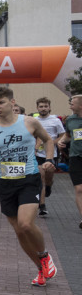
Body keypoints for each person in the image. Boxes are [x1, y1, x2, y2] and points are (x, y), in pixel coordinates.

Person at [0, 86, 58, 287]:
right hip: (5, 182)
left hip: (29, 178)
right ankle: (40, 269)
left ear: (12, 102)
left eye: (1, 102)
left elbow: (48, 140)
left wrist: (48, 159)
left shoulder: (29, 122)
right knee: (19, 231)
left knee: (26, 224)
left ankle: (45, 256)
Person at [33, 97, 65, 216]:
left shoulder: (55, 120)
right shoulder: (34, 120)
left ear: (49, 107)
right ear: (37, 108)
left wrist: (51, 143)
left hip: (52, 154)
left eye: (45, 106)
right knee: (40, 178)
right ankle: (42, 205)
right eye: (41, 106)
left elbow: (62, 135)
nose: (43, 108)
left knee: (48, 179)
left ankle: (49, 186)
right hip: (38, 154)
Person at [58, 94, 82, 230]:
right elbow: (68, 135)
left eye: (72, 103)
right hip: (75, 157)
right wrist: (62, 142)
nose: (70, 105)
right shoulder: (70, 120)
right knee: (79, 188)